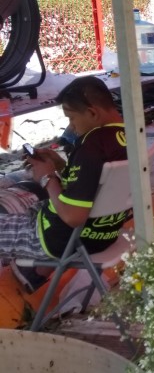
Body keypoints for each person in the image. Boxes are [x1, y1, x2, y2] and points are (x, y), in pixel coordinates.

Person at [2, 77, 129, 293]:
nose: (71, 127)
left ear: (92, 113)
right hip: (104, 235)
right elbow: (91, 183)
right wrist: (61, 165)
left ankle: (37, 269)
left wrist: (47, 178)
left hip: (59, 239)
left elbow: (73, 216)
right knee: (24, 208)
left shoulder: (90, 147)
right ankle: (34, 274)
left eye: (71, 118)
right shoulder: (129, 136)